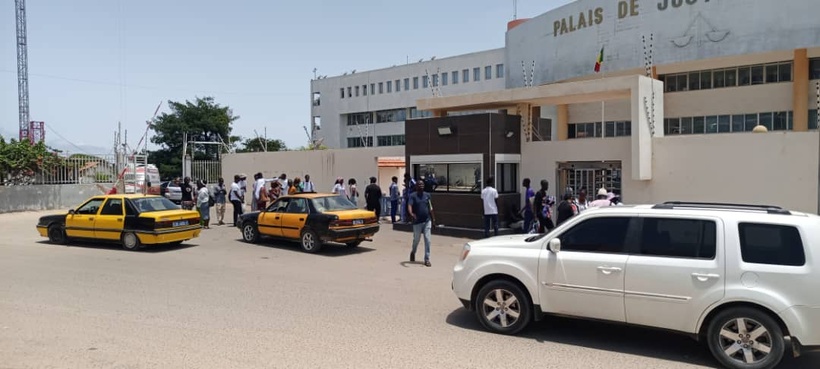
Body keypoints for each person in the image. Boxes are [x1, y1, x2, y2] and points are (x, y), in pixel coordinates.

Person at [407, 181, 434, 267]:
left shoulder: (427, 195)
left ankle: (427, 259)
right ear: (416, 186)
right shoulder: (412, 196)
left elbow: (430, 208)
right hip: (417, 222)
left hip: (427, 221)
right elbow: (409, 205)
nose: (421, 186)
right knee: (416, 240)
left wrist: (434, 219)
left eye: (422, 184)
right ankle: (413, 252)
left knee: (428, 240)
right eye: (419, 185)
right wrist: (411, 213)